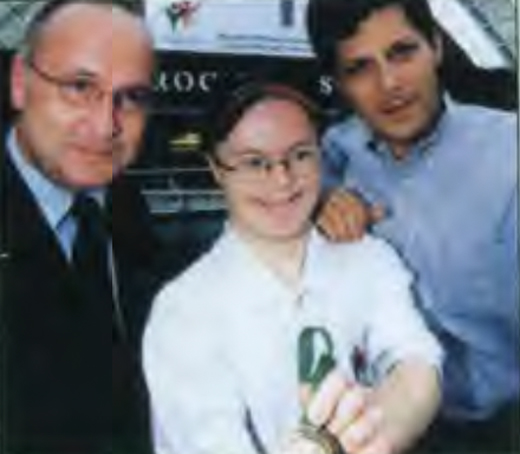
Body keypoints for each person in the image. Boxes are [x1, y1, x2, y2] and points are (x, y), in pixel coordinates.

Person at [143, 82, 443, 454]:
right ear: (216, 169)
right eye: (254, 162)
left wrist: (368, 437)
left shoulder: (367, 259)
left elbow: (416, 362)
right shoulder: (184, 309)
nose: (281, 180)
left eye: (300, 155)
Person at [306, 0, 519, 450]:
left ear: (436, 47)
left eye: (402, 52)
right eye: (360, 68)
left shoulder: (509, 152)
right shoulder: (338, 148)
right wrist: (320, 202)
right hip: (375, 417)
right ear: (340, 84)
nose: (390, 84)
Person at [0, 1, 163, 452]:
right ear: (19, 83)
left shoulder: (126, 208)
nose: (105, 125)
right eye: (79, 86)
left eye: (130, 97)